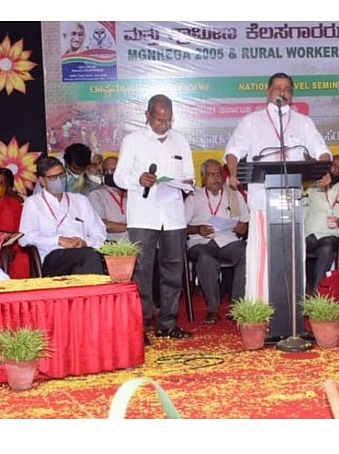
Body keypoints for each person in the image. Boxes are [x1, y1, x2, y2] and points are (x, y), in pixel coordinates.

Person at [223, 72, 332, 303]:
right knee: (263, 256)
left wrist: (324, 170)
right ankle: (261, 307)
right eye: (277, 88)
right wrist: (233, 174)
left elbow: (321, 150)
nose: (282, 92)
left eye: (287, 89)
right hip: (263, 198)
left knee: (291, 255)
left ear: (292, 95)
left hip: (291, 197)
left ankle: (292, 309)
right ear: (268, 92)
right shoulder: (252, 121)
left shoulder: (303, 122)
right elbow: (233, 151)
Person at [115, 94, 195, 341]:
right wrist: (137, 180)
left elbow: (191, 177)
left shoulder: (180, 141)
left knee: (173, 270)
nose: (163, 125)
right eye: (159, 120)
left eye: (168, 120)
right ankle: (139, 327)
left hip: (173, 215)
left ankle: (168, 323)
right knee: (142, 271)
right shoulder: (133, 141)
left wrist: (183, 183)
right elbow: (118, 177)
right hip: (143, 215)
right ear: (147, 116)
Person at [185, 159, 249, 324]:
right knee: (206, 258)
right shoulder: (194, 195)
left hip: (228, 240)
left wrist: (244, 227)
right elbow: (181, 226)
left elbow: (246, 220)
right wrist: (197, 229)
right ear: (203, 177)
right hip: (201, 242)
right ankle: (213, 309)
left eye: (219, 174)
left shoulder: (233, 194)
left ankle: (237, 307)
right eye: (211, 174)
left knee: (248, 253)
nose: (216, 178)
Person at [19, 156, 107, 277]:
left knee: (89, 258)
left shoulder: (80, 201)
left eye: (62, 175)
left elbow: (100, 232)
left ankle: (83, 295)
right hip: (52, 257)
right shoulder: (34, 203)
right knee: (89, 257)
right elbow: (25, 238)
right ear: (42, 181)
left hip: (83, 251)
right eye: (53, 178)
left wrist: (84, 242)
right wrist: (59, 240)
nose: (59, 180)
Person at [304, 155, 339, 294]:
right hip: (311, 234)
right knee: (294, 248)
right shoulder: (314, 187)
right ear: (328, 167)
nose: (336, 170)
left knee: (326, 249)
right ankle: (294, 292)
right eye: (334, 166)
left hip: (332, 235)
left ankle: (317, 294)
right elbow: (303, 211)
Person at [89, 156, 129, 242]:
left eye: (114, 170)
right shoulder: (97, 195)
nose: (110, 173)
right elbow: (102, 225)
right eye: (106, 171)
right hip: (112, 244)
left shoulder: (132, 193)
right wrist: (132, 227)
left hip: (137, 241)